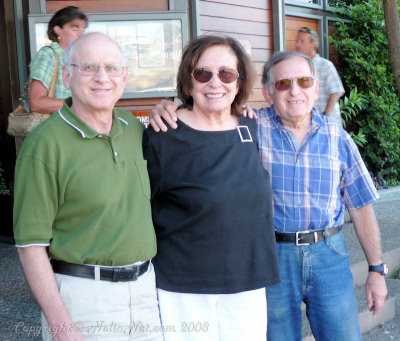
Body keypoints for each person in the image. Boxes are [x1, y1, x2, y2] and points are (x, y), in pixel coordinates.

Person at [148, 50, 388, 341]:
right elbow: (209, 112)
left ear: (316, 88)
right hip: (271, 255)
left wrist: (376, 269)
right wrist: (168, 106)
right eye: (284, 83)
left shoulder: (338, 137)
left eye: (303, 81)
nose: (295, 90)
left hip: (329, 253)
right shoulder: (249, 127)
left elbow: (360, 206)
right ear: (268, 93)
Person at [13, 32, 162, 340]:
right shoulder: (44, 145)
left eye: (111, 68)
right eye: (89, 67)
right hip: (84, 300)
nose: (102, 78)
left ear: (124, 77)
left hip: (146, 292)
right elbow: (29, 244)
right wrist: (60, 324)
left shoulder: (133, 128)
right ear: (67, 76)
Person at [142, 35, 280, 341]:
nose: (215, 82)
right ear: (189, 82)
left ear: (239, 81)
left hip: (247, 281)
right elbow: (141, 207)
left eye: (226, 74)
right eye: (202, 73)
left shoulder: (252, 126)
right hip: (185, 288)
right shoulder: (164, 134)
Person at [28, 6, 88, 114]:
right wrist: (80, 105)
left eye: (83, 29)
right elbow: (36, 103)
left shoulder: (76, 58)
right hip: (55, 128)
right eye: (74, 28)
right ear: (58, 30)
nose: (81, 34)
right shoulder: (48, 55)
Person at [295, 26, 344, 125]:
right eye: (297, 41)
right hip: (309, 124)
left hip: (328, 124)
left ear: (313, 44)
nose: (298, 44)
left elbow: (336, 92)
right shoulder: (298, 67)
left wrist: (324, 116)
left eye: (302, 41)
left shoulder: (326, 65)